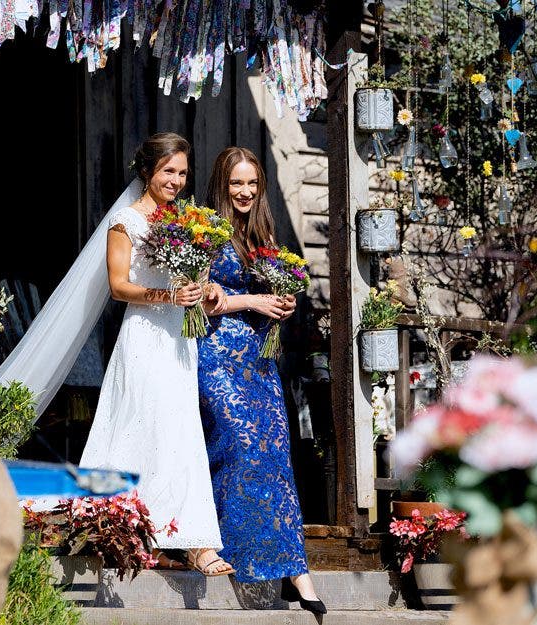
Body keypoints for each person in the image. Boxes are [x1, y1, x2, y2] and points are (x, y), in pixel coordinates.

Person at [79, 133, 233, 576]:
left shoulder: (189, 222)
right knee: (143, 426)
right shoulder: (126, 221)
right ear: (147, 170)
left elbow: (195, 279)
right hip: (145, 334)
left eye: (183, 173)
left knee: (181, 431)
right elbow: (118, 285)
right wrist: (167, 294)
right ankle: (127, 531)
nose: (177, 181)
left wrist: (207, 286)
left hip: (180, 339)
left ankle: (190, 539)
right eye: (169, 171)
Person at [199, 147, 327, 613]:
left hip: (259, 360)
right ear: (222, 184)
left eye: (252, 183)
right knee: (238, 449)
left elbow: (270, 291)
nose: (245, 191)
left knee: (275, 453)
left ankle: (296, 571)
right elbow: (202, 300)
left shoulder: (263, 231)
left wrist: (283, 301)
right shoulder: (205, 230)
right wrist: (251, 301)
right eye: (237, 183)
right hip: (216, 356)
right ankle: (236, 555)